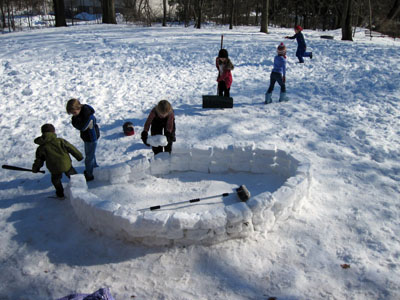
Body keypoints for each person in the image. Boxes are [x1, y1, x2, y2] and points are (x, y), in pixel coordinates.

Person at [32, 124, 83, 199]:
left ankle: (60, 194)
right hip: (66, 165)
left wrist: (35, 168)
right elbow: (71, 148)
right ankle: (80, 188)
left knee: (56, 180)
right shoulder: (60, 141)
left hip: (54, 168)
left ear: (42, 133)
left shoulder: (41, 147)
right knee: (74, 176)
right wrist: (79, 156)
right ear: (54, 132)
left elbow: (39, 160)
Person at [66, 98, 100, 182]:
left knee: (89, 157)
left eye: (74, 113)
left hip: (91, 138)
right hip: (86, 137)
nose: (73, 115)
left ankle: (89, 174)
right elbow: (78, 125)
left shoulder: (88, 115)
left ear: (78, 108)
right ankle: (94, 167)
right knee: (91, 154)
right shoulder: (81, 114)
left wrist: (76, 122)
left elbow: (82, 127)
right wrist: (76, 121)